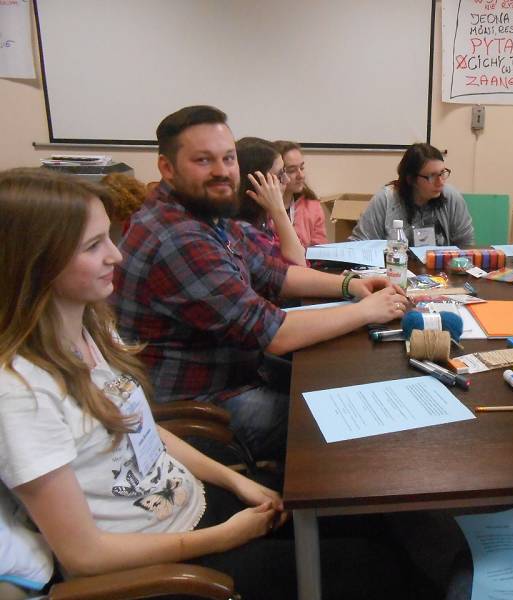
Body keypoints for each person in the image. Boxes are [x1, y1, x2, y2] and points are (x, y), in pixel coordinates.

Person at [0, 168, 294, 599]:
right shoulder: (21, 393)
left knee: (344, 518)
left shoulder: (91, 329)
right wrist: (227, 536)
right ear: (35, 263)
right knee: (365, 565)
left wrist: (236, 482)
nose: (116, 256)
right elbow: (84, 556)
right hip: (162, 567)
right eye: (93, 246)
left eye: (109, 238)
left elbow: (143, 429)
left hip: (192, 509)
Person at [112, 106, 410, 460]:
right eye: (204, 160)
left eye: (228, 158)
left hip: (237, 371)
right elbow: (274, 333)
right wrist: (367, 311)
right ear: (167, 167)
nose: (222, 171)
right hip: (202, 403)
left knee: (343, 380)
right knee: (347, 421)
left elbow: (274, 273)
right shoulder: (177, 238)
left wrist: (350, 285)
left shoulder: (204, 214)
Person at [349, 143, 475, 247]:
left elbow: (465, 244)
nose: (440, 182)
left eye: (442, 173)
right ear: (411, 179)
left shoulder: (450, 197)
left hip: (440, 268)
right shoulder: (386, 199)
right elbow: (358, 243)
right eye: (432, 176)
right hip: (395, 267)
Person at [236, 137, 307, 265]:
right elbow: (299, 263)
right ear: (257, 183)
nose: (286, 180)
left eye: (285, 171)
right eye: (280, 175)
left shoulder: (263, 219)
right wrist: (278, 209)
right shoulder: (244, 230)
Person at [273, 139, 329, 248]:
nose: (301, 175)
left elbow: (320, 250)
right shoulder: (265, 210)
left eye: (301, 168)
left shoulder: (312, 207)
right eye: (291, 170)